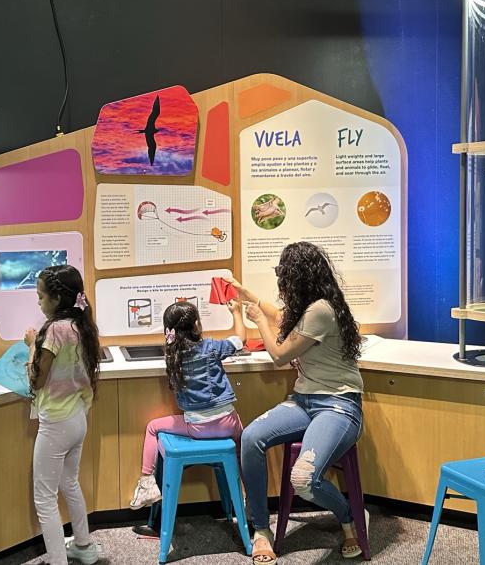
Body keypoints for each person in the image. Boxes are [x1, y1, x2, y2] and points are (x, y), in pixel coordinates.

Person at [230, 242, 367, 564]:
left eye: (285, 275)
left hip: (338, 405)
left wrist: (257, 321)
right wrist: (247, 294)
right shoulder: (313, 306)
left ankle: (350, 517)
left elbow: (279, 355)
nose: (282, 283)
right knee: (251, 438)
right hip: (305, 401)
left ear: (297, 277)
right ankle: (261, 529)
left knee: (303, 478)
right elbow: (280, 315)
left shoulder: (320, 309)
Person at [129, 299, 248, 509]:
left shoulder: (172, 356)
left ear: (168, 331)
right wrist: (237, 312)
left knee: (152, 427)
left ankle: (147, 483)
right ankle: (245, 497)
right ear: (197, 325)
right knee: (238, 449)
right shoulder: (212, 347)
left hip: (197, 429)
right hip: (229, 425)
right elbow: (240, 339)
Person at [23, 265, 103, 565]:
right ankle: (83, 546)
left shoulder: (55, 330)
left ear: (57, 299)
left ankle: (58, 560)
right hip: (77, 418)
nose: (39, 302)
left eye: (41, 296)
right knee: (69, 482)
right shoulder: (80, 325)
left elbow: (37, 378)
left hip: (55, 423)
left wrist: (32, 346)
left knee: (44, 498)